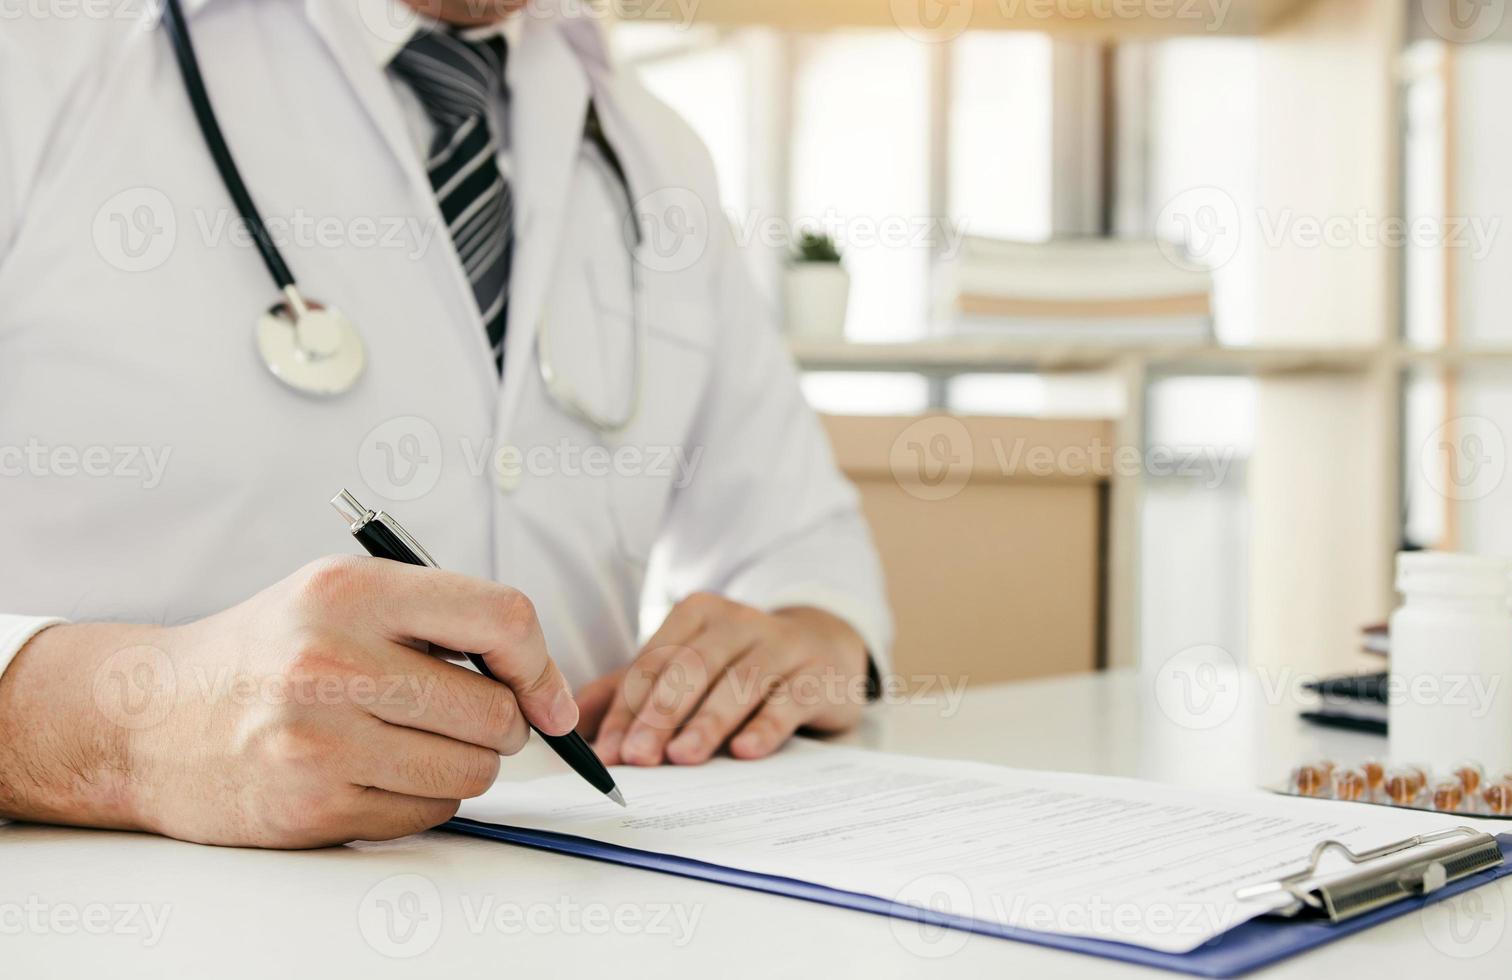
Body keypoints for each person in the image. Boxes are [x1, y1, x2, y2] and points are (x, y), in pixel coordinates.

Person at [0, 0, 890, 848]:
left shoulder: (654, 149)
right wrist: (129, 732)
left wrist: (800, 635)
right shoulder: (41, 53)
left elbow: (800, 543)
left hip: (585, 904)